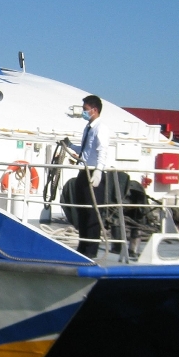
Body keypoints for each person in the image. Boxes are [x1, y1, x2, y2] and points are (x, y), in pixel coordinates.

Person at [71, 94, 111, 258]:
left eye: (85, 109)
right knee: (82, 211)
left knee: (92, 213)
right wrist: (70, 145)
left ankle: (91, 250)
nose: (83, 112)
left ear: (94, 110)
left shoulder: (100, 128)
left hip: (93, 173)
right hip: (83, 170)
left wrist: (98, 171)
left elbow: (102, 151)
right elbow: (85, 150)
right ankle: (82, 246)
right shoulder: (88, 128)